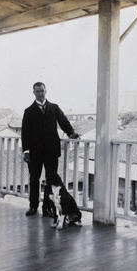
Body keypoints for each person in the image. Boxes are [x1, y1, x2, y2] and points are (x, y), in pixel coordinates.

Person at [21, 82, 79, 216]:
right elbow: (25, 132)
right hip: (35, 152)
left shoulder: (54, 108)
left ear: (46, 91)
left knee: (51, 179)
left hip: (51, 150)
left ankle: (47, 207)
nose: (40, 94)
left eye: (42, 91)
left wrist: (71, 133)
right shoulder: (28, 111)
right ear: (34, 93)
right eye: (37, 91)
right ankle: (33, 206)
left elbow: (63, 122)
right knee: (34, 178)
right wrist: (26, 151)